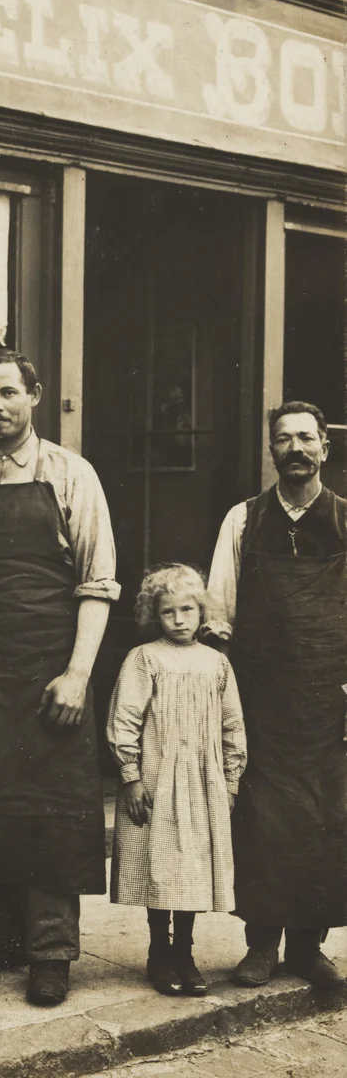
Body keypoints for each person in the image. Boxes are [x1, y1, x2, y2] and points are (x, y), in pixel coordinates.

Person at [0, 348, 120, 1008]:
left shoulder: (72, 474)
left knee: (52, 813)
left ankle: (51, 952)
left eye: (8, 393)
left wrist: (77, 673)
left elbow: (97, 585)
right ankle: (6, 936)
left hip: (50, 670)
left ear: (34, 396)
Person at [206, 400, 347, 989]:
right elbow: (219, 610)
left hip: (328, 697)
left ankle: (308, 946)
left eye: (306, 438)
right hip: (260, 695)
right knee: (262, 821)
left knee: (323, 818)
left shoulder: (345, 519)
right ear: (271, 451)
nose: (296, 448)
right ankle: (261, 943)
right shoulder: (243, 520)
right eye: (284, 439)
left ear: (324, 448)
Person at [107, 564, 247, 996]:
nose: (181, 619)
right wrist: (131, 776)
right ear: (155, 615)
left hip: (203, 783)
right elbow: (124, 720)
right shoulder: (144, 658)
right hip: (158, 779)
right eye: (169, 612)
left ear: (201, 611)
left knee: (193, 867)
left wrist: (230, 780)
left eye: (188, 609)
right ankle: (158, 952)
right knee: (162, 865)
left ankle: (184, 952)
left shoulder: (217, 663)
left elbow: (232, 724)